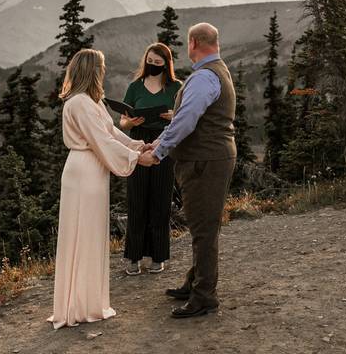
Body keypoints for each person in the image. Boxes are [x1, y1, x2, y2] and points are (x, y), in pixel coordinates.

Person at [47, 49, 155, 330]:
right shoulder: (80, 103)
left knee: (89, 233)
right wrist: (136, 159)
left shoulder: (90, 103)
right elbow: (100, 141)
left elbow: (110, 133)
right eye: (102, 67)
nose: (104, 71)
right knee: (84, 233)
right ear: (92, 70)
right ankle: (79, 306)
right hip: (84, 171)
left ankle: (85, 301)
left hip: (91, 170)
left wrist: (136, 145)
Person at [140, 23, 236, 319]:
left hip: (205, 161)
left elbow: (185, 120)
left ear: (194, 42)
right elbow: (183, 119)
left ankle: (205, 295)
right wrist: (157, 142)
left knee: (204, 230)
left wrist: (158, 152)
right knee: (201, 225)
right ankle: (195, 282)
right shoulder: (217, 70)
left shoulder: (204, 76)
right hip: (209, 158)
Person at [118, 43, 181, 275]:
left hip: (165, 141)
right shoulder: (135, 87)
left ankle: (158, 256)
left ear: (166, 64)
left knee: (160, 200)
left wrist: (174, 115)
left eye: (158, 63)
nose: (153, 66)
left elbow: (186, 116)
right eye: (150, 62)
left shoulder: (176, 87)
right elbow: (122, 122)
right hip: (138, 142)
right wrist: (130, 123)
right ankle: (133, 258)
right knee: (137, 200)